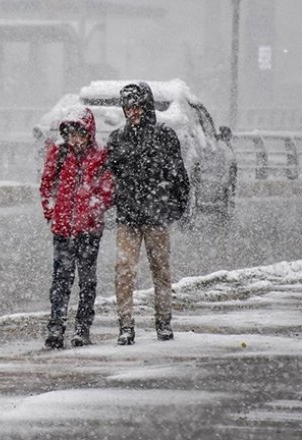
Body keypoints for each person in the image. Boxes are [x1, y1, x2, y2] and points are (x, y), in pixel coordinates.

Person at [106, 82, 190, 345]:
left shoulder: (164, 136)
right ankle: (126, 325)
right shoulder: (117, 139)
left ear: (145, 106)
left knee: (160, 270)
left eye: (136, 106)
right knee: (124, 270)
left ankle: (163, 322)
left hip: (155, 216)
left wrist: (176, 208)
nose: (132, 112)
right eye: (127, 107)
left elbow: (178, 175)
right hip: (129, 216)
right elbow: (110, 176)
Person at [39, 106, 114, 349]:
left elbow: (107, 190)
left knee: (87, 279)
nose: (75, 140)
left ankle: (82, 327)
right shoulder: (60, 155)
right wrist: (52, 212)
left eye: (79, 134)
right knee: (61, 279)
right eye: (70, 134)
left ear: (88, 133)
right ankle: (56, 326)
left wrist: (92, 213)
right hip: (63, 230)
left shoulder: (100, 157)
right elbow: (47, 186)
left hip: (89, 230)